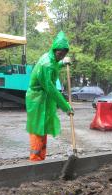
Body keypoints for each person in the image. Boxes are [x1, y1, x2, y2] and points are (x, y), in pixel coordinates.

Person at [25, 31, 73, 162]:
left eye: (64, 54)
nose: (61, 56)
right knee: (37, 128)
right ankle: (35, 160)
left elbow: (55, 63)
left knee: (43, 127)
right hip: (37, 99)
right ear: (54, 50)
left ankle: (41, 158)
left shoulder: (51, 58)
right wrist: (66, 106)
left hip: (43, 98)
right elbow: (51, 89)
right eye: (59, 54)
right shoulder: (46, 65)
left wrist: (62, 63)